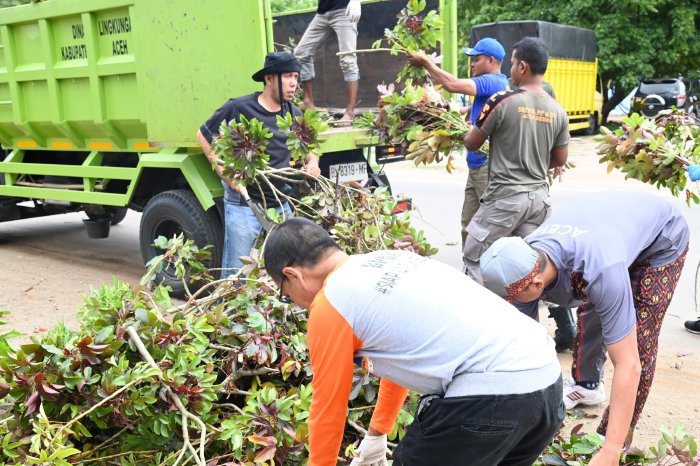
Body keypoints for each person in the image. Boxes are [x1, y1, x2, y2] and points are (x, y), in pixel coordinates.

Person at [263, 217, 564, 466]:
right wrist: (378, 432)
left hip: (493, 398)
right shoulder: (390, 260)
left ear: (293, 275)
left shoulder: (331, 304)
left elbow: (328, 406)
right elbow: (404, 358)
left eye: (285, 293)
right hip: (547, 386)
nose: (294, 302)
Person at [479, 191, 689, 465]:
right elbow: (524, 350)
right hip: (607, 231)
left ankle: (614, 443)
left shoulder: (599, 270)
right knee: (595, 303)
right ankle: (587, 384)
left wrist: (610, 450)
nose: (511, 305)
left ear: (537, 285)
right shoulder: (524, 258)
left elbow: (629, 364)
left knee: (637, 342)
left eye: (511, 299)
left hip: (660, 239)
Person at [197, 52, 320, 278]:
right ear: (269, 79)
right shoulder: (239, 107)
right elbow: (203, 135)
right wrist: (224, 173)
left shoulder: (293, 114)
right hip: (245, 204)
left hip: (282, 204)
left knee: (286, 271)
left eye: (296, 77)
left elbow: (310, 150)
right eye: (288, 76)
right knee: (238, 275)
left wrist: (312, 164)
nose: (294, 83)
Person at [461, 37, 569, 283]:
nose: (510, 70)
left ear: (522, 67)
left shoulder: (501, 101)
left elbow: (472, 143)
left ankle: (482, 315)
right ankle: (560, 319)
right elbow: (559, 159)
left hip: (505, 198)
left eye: (512, 64)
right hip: (539, 200)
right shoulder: (558, 110)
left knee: (475, 255)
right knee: (531, 265)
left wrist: (470, 130)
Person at [408, 38, 509, 248]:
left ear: (491, 61)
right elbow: (470, 114)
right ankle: (470, 268)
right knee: (468, 224)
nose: (471, 63)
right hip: (477, 166)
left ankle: (489, 273)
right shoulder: (488, 87)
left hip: (486, 167)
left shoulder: (494, 81)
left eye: (476, 59)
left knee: (487, 227)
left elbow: (453, 85)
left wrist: (426, 63)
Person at [294, 0, 361, 124]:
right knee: (301, 53)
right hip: (322, 13)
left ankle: (350, 112)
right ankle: (308, 103)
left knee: (348, 59)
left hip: (344, 10)